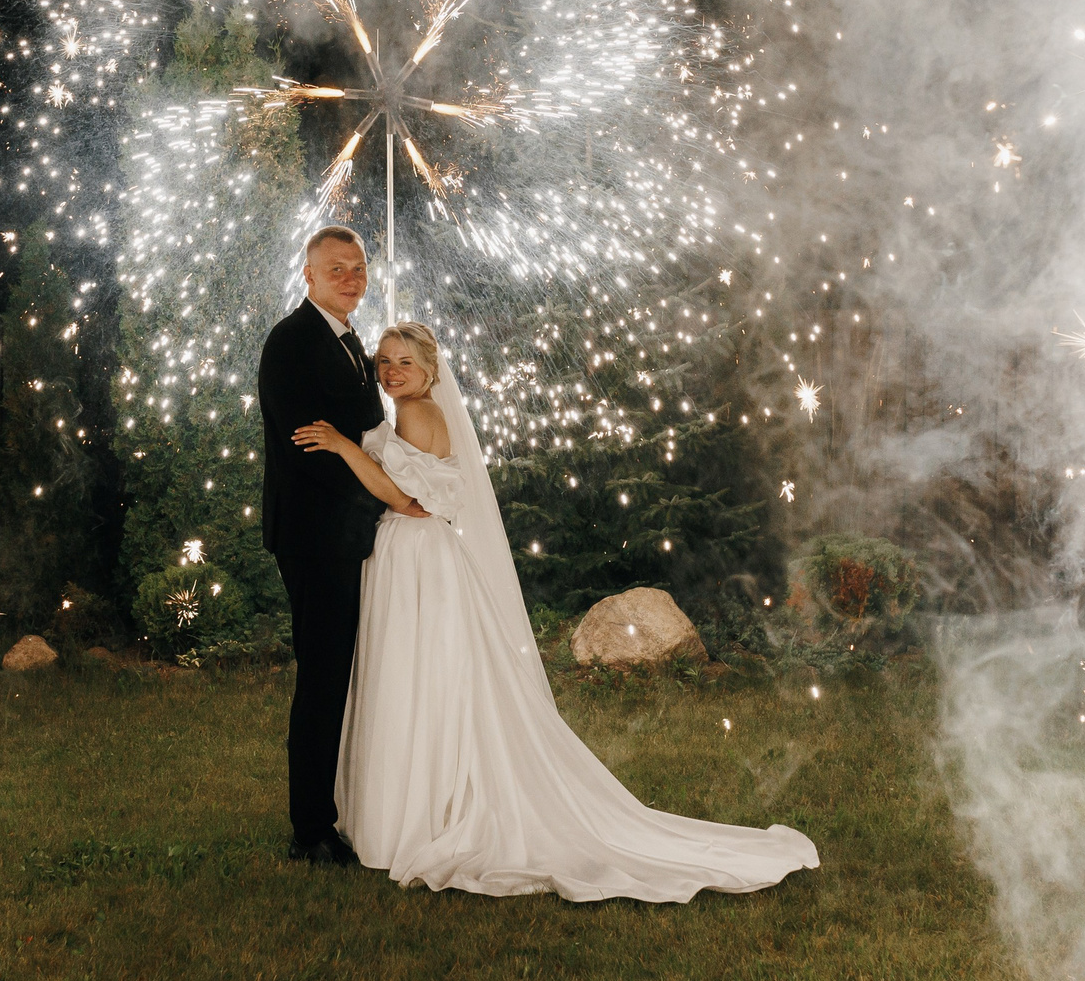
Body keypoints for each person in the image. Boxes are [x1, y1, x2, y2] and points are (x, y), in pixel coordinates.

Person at [291, 320, 819, 902]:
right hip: (414, 558)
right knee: (424, 678)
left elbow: (407, 498)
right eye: (384, 361)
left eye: (405, 364)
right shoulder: (412, 413)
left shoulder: (418, 415)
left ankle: (412, 816)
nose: (392, 372)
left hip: (416, 557)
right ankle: (413, 806)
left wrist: (342, 445)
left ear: (429, 372)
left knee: (416, 677)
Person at [255, 226, 391, 866]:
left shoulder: (351, 342)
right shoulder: (291, 342)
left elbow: (361, 431)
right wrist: (385, 499)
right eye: (336, 268)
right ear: (308, 275)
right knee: (323, 677)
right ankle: (309, 830)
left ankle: (336, 808)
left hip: (346, 533)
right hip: (314, 537)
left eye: (358, 268)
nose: (350, 278)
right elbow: (307, 450)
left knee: (342, 673)